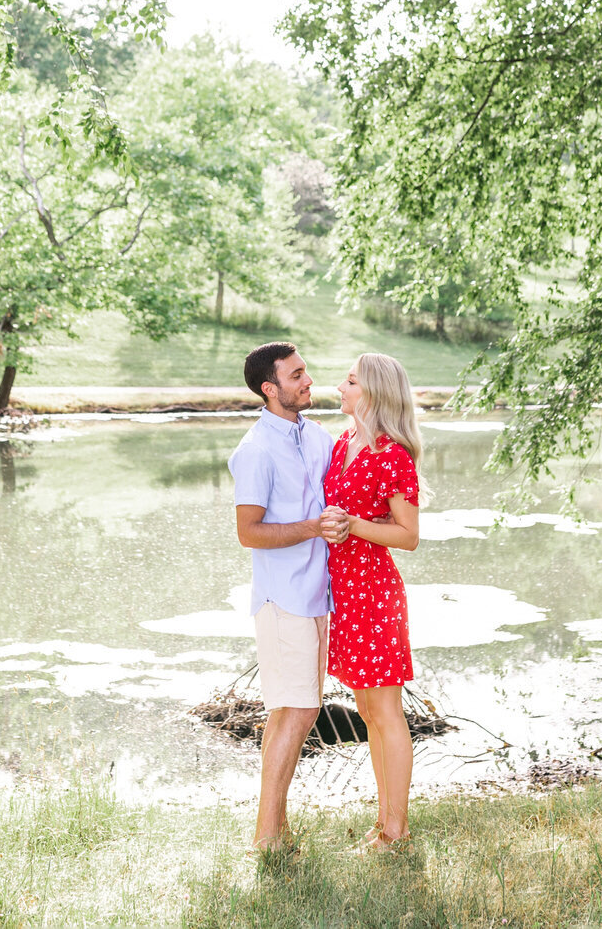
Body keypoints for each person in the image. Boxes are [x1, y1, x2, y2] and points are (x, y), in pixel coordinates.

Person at [228, 341, 346, 856]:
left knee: (298, 709)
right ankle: (267, 836)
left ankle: (272, 832)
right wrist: (312, 527)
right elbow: (249, 532)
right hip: (282, 599)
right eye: (297, 376)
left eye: (307, 372)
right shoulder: (254, 450)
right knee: (294, 711)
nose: (308, 381)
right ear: (270, 389)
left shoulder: (315, 435)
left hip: (318, 594)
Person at [320, 352, 422, 853]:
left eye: (351, 380)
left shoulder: (393, 455)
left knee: (385, 712)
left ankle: (396, 831)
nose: (340, 386)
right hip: (344, 595)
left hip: (374, 595)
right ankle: (385, 821)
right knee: (366, 709)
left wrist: (354, 525)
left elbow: (408, 536)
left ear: (375, 393)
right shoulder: (343, 446)